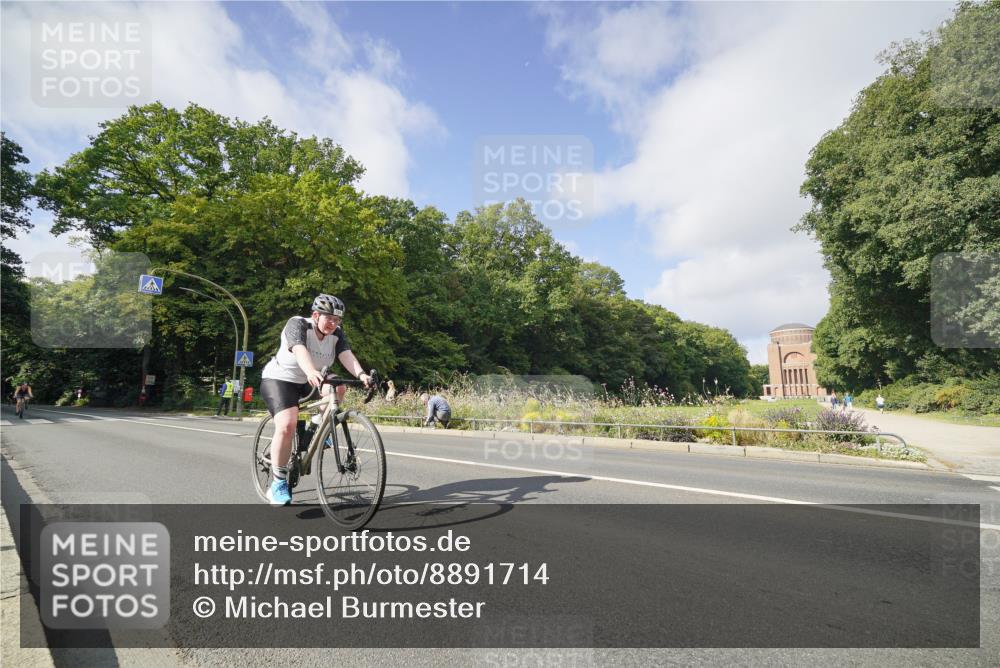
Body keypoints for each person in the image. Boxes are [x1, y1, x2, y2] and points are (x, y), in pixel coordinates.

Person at [259, 294, 372, 506]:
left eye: (337, 320)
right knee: (287, 424)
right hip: (280, 379)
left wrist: (362, 375)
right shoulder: (298, 324)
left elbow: (346, 355)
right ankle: (278, 483)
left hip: (312, 378)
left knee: (338, 386)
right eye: (329, 318)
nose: (333, 323)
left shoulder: (336, 333)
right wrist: (311, 370)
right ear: (315, 315)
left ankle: (318, 427)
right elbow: (299, 349)